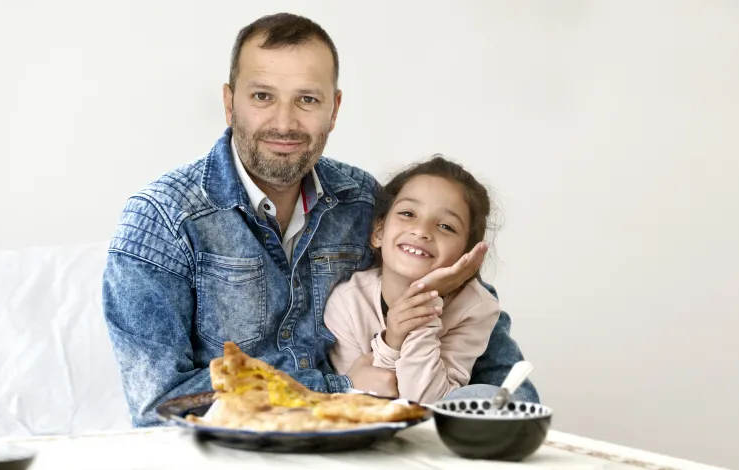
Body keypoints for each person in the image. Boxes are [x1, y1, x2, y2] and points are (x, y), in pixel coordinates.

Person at [102, 12, 538, 427]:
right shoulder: (161, 220)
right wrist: (338, 390)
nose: (285, 122)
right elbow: (161, 405)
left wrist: (518, 420)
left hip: (372, 448)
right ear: (229, 103)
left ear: (335, 108)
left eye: (307, 99)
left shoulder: (363, 201)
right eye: (262, 96)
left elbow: (468, 313)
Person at [325, 155, 531, 404]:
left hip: (435, 436)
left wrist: (421, 316)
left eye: (446, 226)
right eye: (408, 213)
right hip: (368, 435)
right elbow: (360, 403)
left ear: (466, 255)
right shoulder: (347, 302)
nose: (422, 231)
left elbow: (431, 403)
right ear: (379, 232)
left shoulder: (476, 308)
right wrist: (392, 341)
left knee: (489, 399)